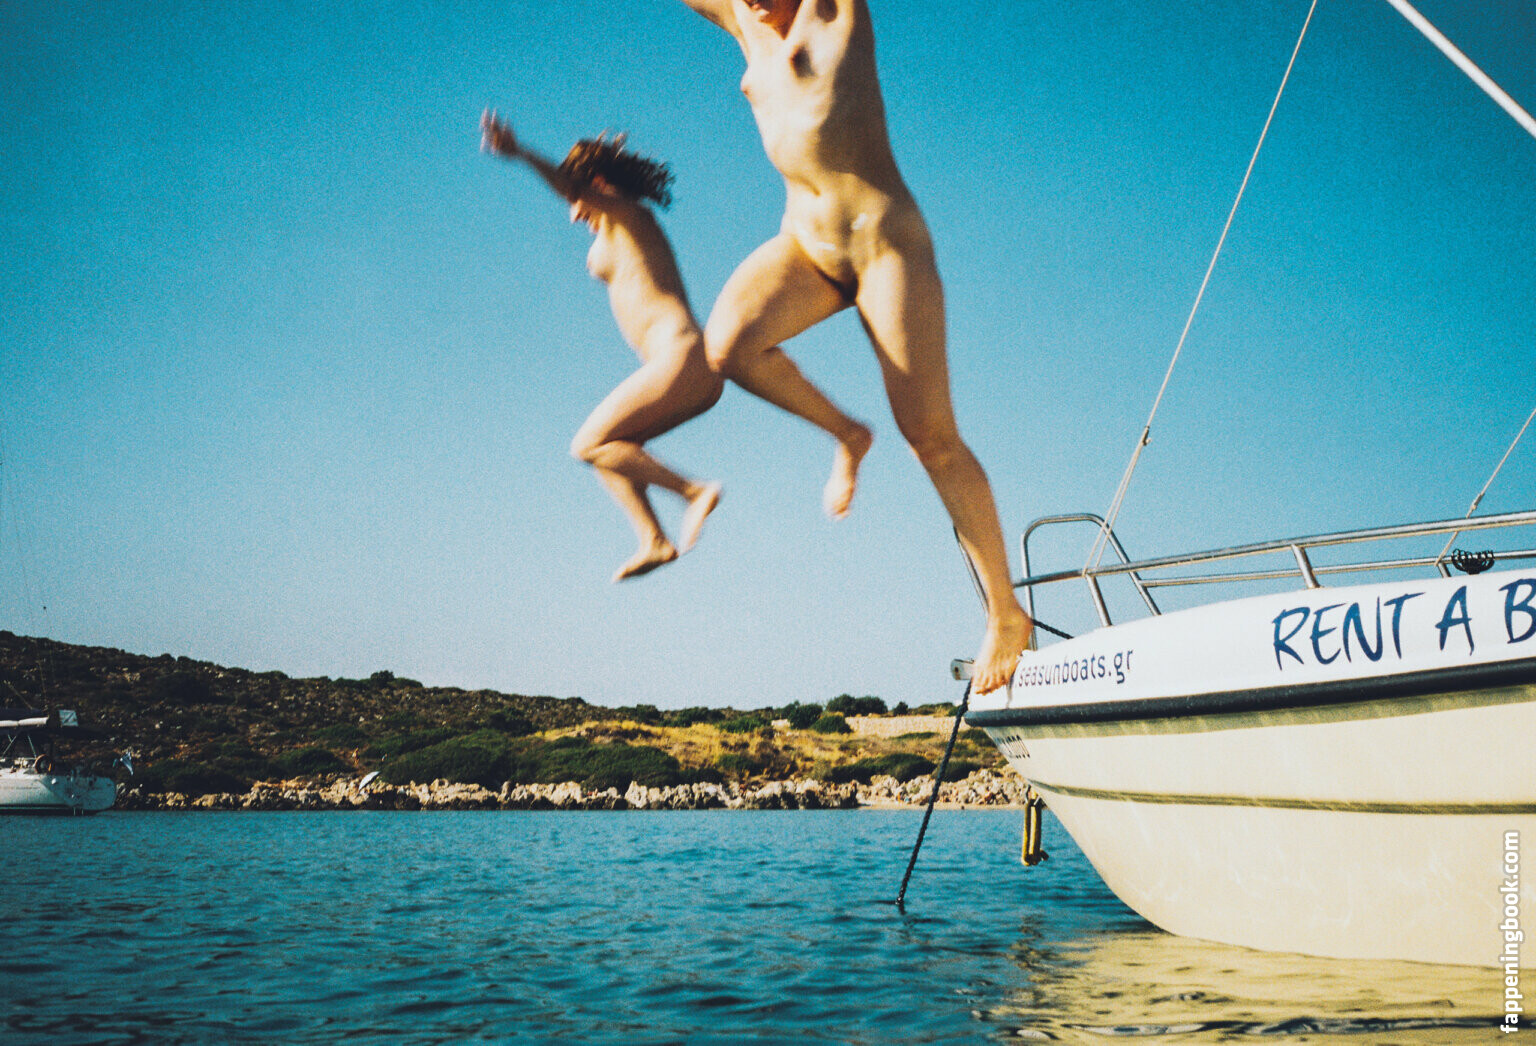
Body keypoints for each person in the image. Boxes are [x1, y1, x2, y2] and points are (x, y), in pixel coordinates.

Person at [674, 0, 1033, 693]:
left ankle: (1006, 613)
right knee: (728, 345)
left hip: (884, 246)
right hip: (805, 246)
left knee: (931, 438)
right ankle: (847, 434)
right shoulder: (744, 20)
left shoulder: (833, 12)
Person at [481, 111, 723, 581]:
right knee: (612, 451)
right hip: (682, 369)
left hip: (683, 358)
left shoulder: (630, 215)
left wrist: (521, 153)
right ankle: (654, 540)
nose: (574, 216)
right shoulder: (615, 228)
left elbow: (571, 190)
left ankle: (693, 492)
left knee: (588, 444)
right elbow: (575, 197)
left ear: (596, 184)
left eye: (579, 203)